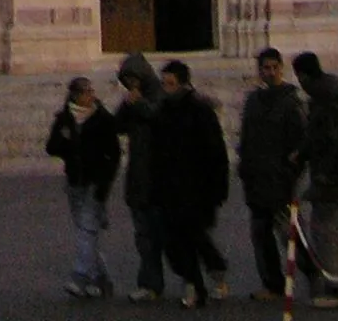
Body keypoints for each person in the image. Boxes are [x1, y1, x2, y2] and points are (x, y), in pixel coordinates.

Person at [150, 61, 229, 308]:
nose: (165, 88)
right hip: (169, 188)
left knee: (190, 236)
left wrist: (218, 188)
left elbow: (216, 152)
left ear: (183, 83)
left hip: (196, 188)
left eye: (170, 84)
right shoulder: (162, 111)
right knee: (176, 240)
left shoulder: (200, 111)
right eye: (163, 83)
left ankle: (197, 286)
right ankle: (207, 274)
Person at [292, 53, 338, 308]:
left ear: (304, 75)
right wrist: (302, 151)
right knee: (324, 229)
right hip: (332, 175)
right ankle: (334, 284)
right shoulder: (325, 95)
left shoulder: (329, 98)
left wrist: (324, 173)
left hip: (334, 177)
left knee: (325, 231)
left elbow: (335, 140)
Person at [237, 47, 306, 301]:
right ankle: (273, 285)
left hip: (279, 180)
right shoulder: (254, 100)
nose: (270, 72)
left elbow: (300, 142)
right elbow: (246, 136)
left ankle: (315, 276)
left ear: (281, 68)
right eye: (265, 68)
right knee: (260, 234)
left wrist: (290, 173)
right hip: (256, 179)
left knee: (290, 234)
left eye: (274, 67)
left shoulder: (290, 101)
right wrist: (244, 166)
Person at [45, 75, 121, 300]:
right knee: (85, 231)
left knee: (87, 229)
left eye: (91, 91)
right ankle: (102, 280)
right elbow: (52, 147)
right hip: (75, 181)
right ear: (76, 95)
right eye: (86, 92)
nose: (91, 95)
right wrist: (66, 142)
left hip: (96, 182)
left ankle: (79, 276)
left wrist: (106, 181)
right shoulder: (65, 119)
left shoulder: (103, 118)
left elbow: (114, 154)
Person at [113, 54, 164, 303]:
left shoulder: (159, 94)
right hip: (139, 177)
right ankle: (150, 284)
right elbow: (118, 125)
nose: (130, 84)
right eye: (126, 80)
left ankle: (197, 280)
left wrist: (140, 103)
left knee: (173, 235)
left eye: (133, 78)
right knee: (144, 236)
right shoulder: (133, 100)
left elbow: (160, 117)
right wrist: (127, 104)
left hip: (161, 177)